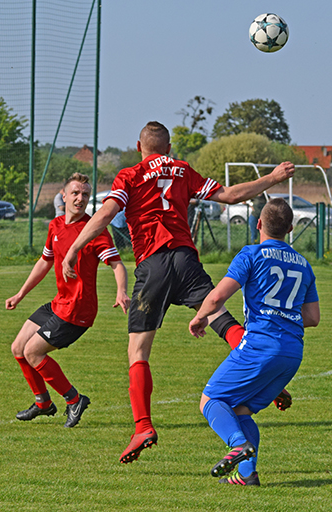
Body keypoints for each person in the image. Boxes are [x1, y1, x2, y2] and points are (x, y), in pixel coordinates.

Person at [61, 121, 295, 463]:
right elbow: (230, 196)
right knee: (220, 318)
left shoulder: (130, 175)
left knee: (138, 351)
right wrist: (273, 178)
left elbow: (107, 213)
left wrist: (75, 247)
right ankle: (262, 372)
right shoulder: (183, 170)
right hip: (185, 260)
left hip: (153, 265)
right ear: (169, 148)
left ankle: (143, 426)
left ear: (139, 146)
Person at [189, 198, 320, 486]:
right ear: (290, 228)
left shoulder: (251, 255)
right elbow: (312, 317)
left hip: (260, 344)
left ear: (258, 224)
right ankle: (248, 475)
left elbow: (216, 297)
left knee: (210, 400)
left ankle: (236, 444)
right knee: (240, 409)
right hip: (292, 352)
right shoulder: (304, 264)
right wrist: (284, 312)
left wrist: (200, 317)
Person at [6, 172, 130, 428]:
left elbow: (117, 265)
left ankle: (74, 399)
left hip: (77, 310)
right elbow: (45, 261)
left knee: (33, 351)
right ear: (63, 196)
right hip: (58, 303)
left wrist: (121, 291)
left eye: (85, 194)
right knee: (18, 348)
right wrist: (21, 293)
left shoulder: (95, 230)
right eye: (75, 193)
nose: (80, 198)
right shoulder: (56, 225)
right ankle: (43, 403)